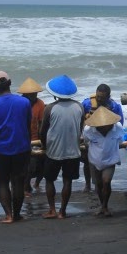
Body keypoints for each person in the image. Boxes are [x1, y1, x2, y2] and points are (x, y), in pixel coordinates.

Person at [0, 71, 32, 224]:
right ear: (10, 83)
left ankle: (8, 215)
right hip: (21, 147)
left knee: (3, 182)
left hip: (0, 149)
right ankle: (17, 214)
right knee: (18, 181)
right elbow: (27, 124)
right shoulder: (24, 103)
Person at [40, 74, 84, 219]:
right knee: (67, 181)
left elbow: (43, 131)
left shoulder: (50, 109)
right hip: (73, 150)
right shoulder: (79, 107)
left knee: (49, 180)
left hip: (54, 151)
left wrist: (44, 146)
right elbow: (81, 127)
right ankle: (63, 211)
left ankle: (52, 209)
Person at [81, 84, 125, 192]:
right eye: (98, 97)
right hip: (91, 135)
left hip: (106, 136)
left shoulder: (115, 107)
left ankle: (100, 187)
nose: (99, 99)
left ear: (109, 97)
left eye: (103, 97)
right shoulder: (87, 103)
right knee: (87, 161)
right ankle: (87, 185)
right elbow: (80, 119)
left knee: (103, 166)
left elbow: (120, 123)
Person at [82, 106, 125, 217]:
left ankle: (105, 206)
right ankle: (102, 205)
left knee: (106, 182)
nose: (104, 128)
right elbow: (86, 143)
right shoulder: (88, 130)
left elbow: (120, 141)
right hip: (94, 160)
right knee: (99, 185)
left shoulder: (118, 127)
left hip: (111, 159)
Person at [16, 77, 46, 195]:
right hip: (23, 138)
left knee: (42, 165)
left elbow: (41, 123)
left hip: (36, 138)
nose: (33, 96)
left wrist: (42, 139)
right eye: (31, 94)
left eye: (35, 94)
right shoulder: (19, 103)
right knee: (28, 166)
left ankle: (37, 183)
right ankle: (26, 186)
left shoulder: (40, 104)